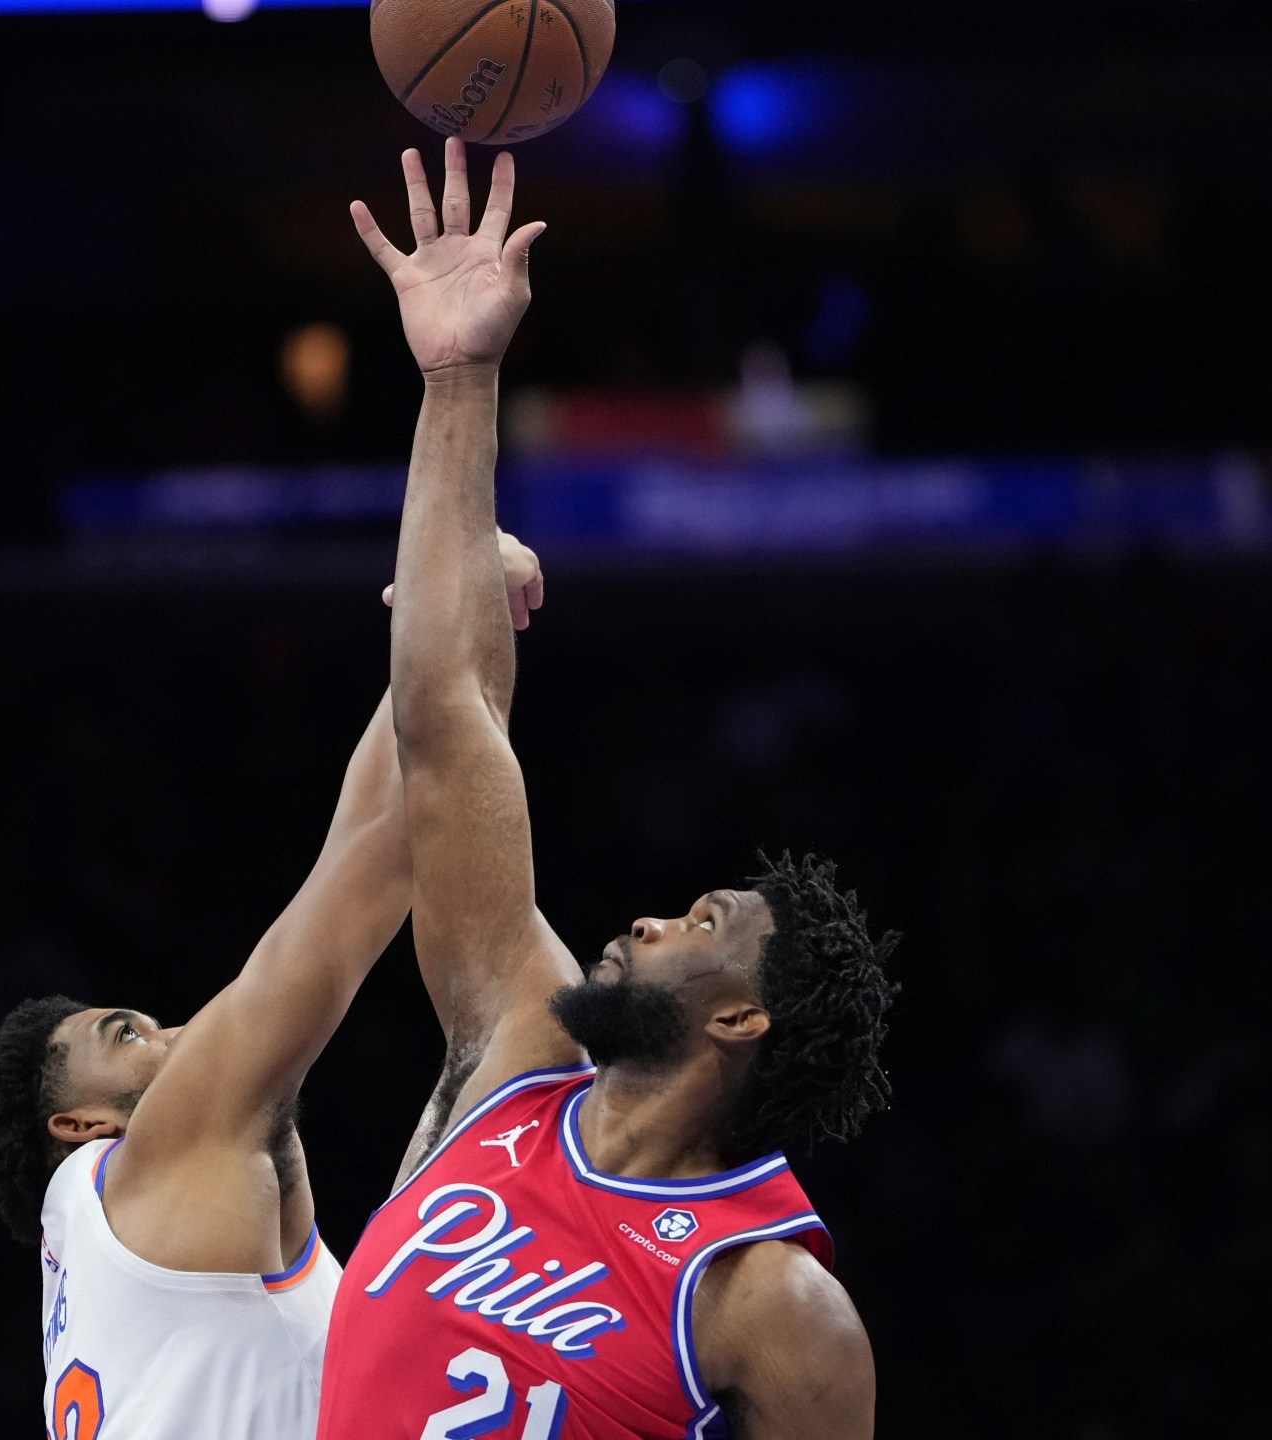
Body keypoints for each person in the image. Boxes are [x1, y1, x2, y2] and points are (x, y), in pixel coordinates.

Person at [319, 140, 899, 1440]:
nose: (649, 922)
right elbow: (444, 719)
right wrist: (458, 376)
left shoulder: (769, 1302)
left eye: (703, 926)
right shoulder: (523, 1055)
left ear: (743, 1021)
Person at [0, 534, 547, 1440]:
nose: (182, 1034)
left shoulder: (117, 1281)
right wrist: (449, 621)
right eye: (129, 1036)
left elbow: (373, 834)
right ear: (80, 1126)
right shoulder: (143, 1166)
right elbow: (386, 853)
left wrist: (447, 630)